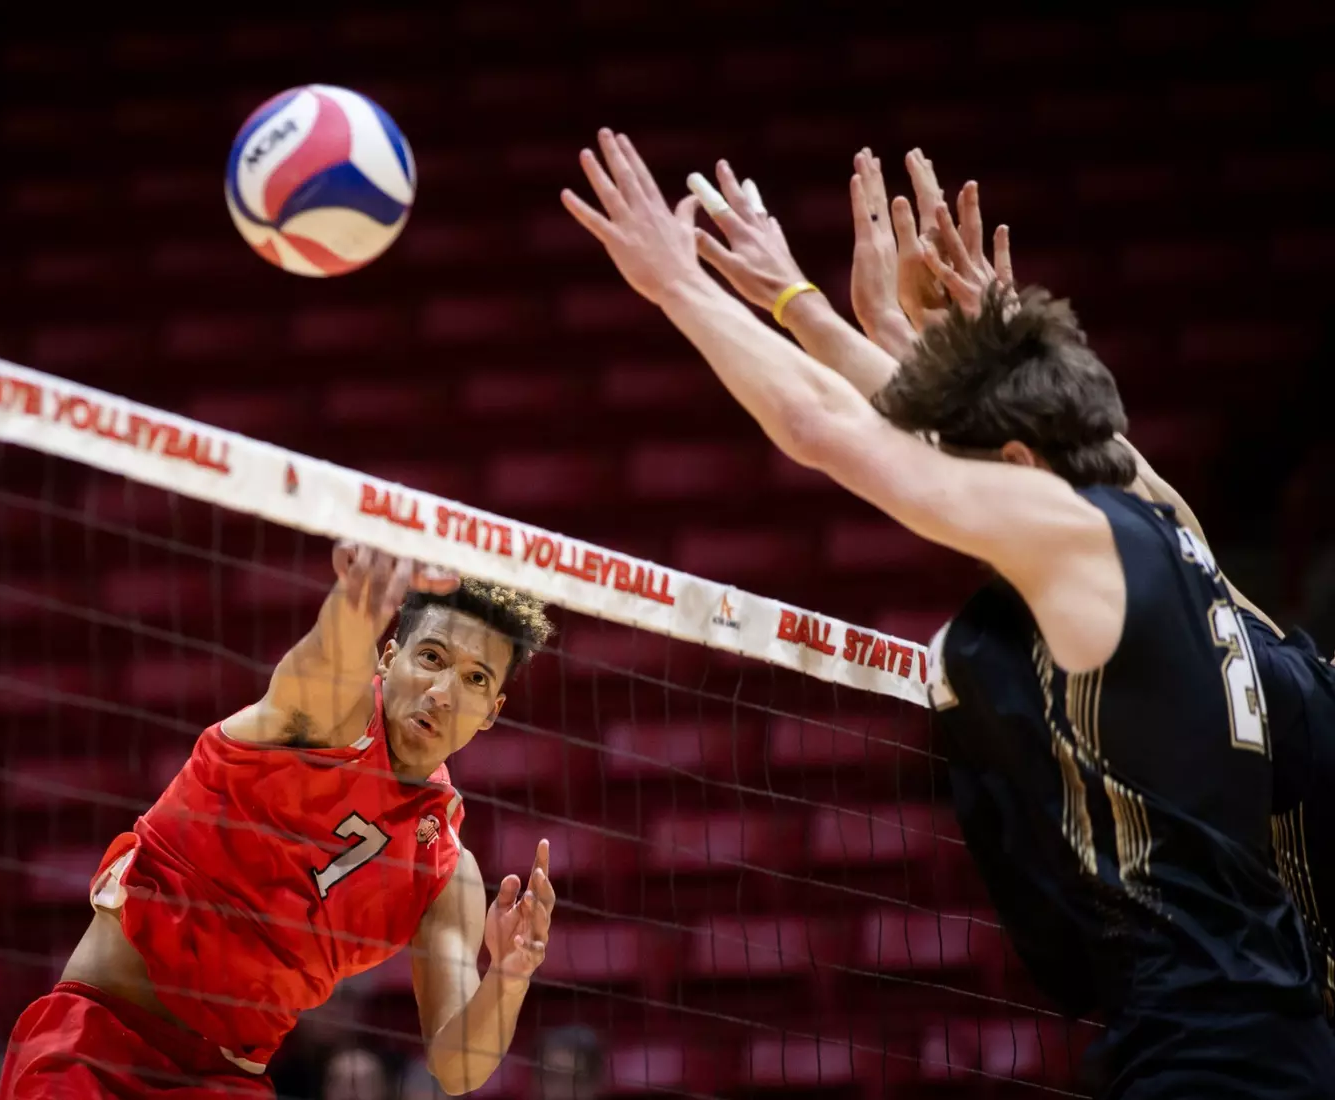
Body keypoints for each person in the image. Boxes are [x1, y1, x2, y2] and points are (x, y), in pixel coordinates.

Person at [562, 129, 1335, 1096]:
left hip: (1216, 1047)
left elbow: (842, 435)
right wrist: (820, 306)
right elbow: (944, 426)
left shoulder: (1078, 531)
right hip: (1262, 1025)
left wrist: (676, 283)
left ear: (1022, 466)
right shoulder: (1162, 531)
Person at [0, 543, 558, 1098]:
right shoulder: (328, 719)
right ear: (389, 659)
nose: (442, 693)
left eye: (476, 679)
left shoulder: (445, 871)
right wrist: (354, 605)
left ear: (493, 711)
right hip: (98, 1044)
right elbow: (326, 659)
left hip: (224, 1084)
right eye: (431, 657)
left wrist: (508, 976)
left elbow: (457, 1068)